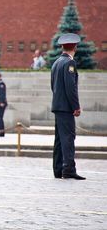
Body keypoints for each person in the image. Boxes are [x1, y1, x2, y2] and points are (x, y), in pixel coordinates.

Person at [51, 33, 85, 180]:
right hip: (66, 108)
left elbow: (53, 86)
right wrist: (75, 106)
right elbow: (71, 88)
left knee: (59, 139)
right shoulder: (69, 63)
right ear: (75, 47)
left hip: (58, 106)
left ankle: (58, 169)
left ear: (62, 47)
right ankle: (69, 169)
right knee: (68, 138)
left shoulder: (56, 62)